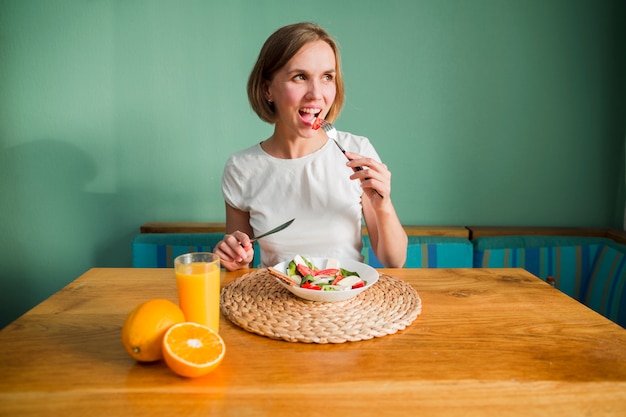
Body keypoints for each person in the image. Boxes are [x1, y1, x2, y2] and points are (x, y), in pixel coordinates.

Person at [214, 22, 407, 271]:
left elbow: (395, 260)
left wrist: (383, 204)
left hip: (345, 303)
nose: (316, 94)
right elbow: (240, 265)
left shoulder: (358, 150)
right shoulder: (242, 168)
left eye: (327, 77)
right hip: (275, 304)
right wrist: (235, 256)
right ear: (267, 89)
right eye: (300, 77)